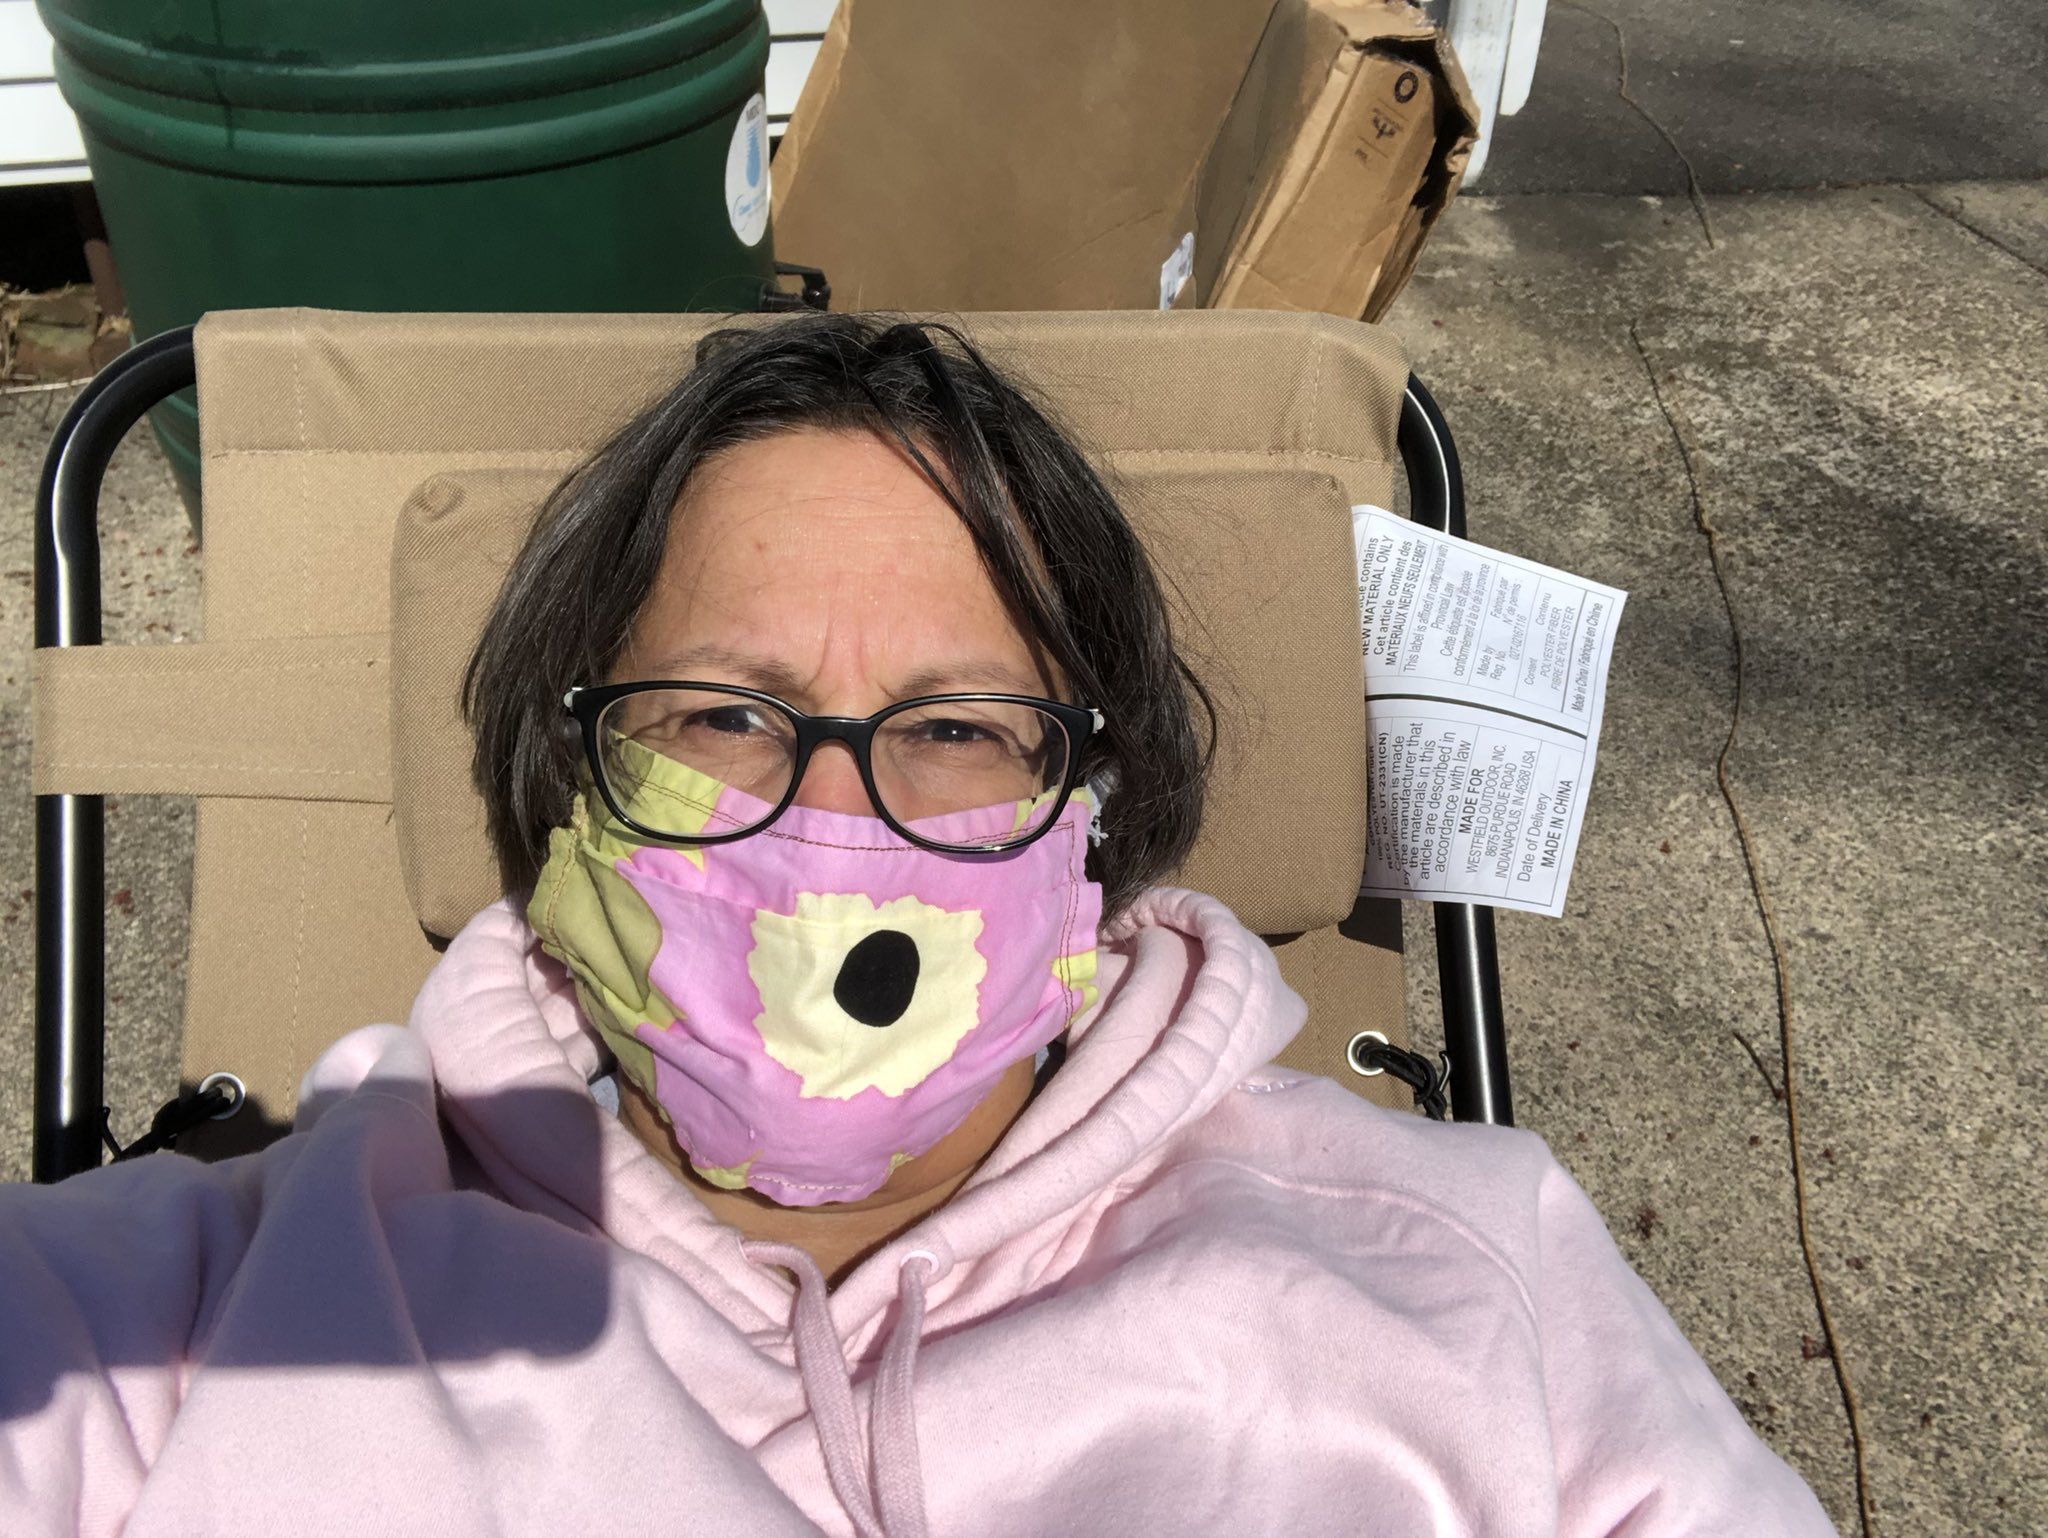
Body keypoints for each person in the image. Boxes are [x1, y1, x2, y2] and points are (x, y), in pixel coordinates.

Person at [0, 313, 1832, 1536]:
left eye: (959, 728)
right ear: (565, 788)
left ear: (1098, 838)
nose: (831, 814)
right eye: (726, 712)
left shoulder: (1466, 1276)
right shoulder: (205, 1303)